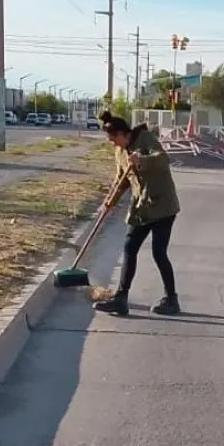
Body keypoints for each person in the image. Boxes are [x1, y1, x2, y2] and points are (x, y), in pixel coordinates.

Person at [95, 111, 181, 317]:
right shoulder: (120, 152)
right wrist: (108, 203)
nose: (113, 144)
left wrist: (141, 159)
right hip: (141, 208)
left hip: (162, 206)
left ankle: (171, 299)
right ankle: (120, 299)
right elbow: (121, 181)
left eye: (114, 139)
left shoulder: (145, 138)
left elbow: (162, 158)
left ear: (124, 134)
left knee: (158, 253)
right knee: (129, 247)